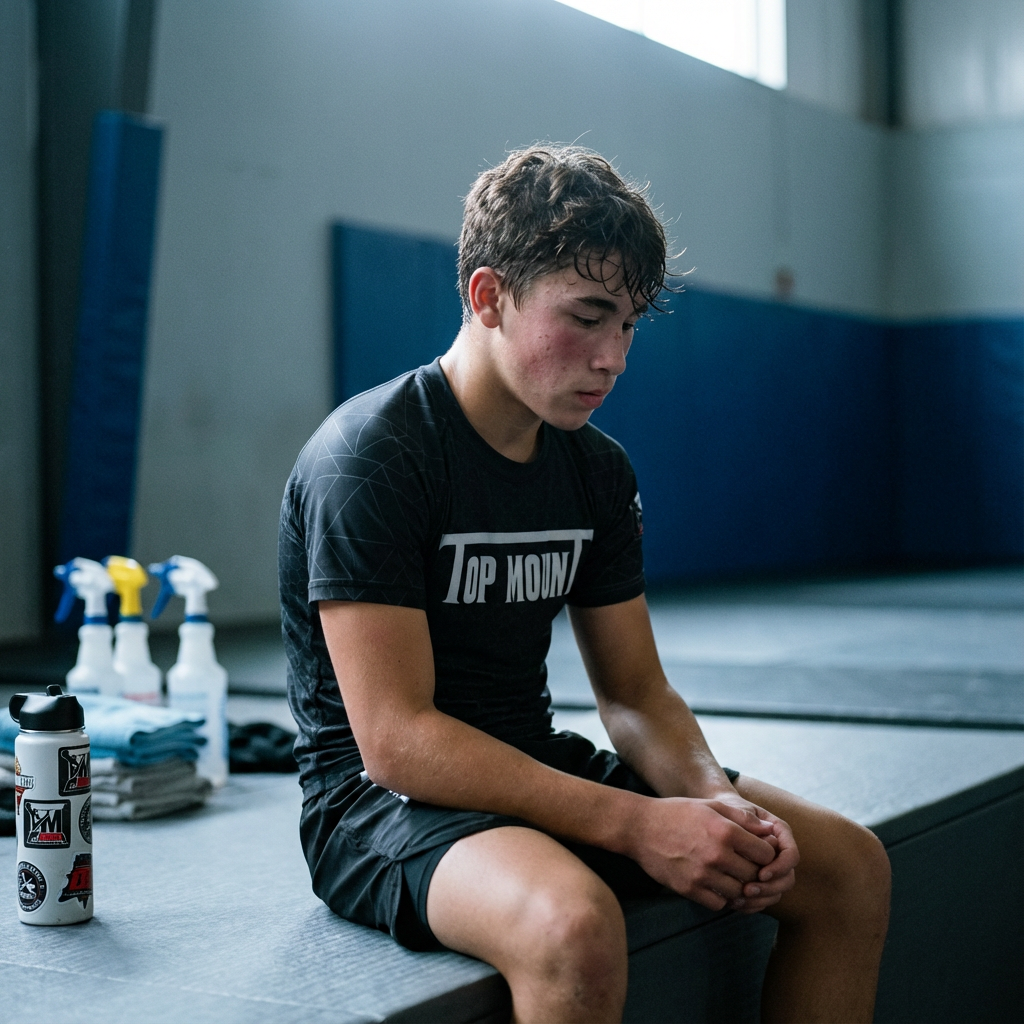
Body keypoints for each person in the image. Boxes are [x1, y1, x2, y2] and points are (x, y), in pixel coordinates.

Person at [279, 145, 891, 1023]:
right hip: (379, 808)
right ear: (489, 297)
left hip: (527, 762)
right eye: (588, 316)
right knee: (572, 927)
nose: (614, 359)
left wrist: (712, 803)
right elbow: (397, 741)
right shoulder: (374, 455)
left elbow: (637, 694)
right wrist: (640, 825)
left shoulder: (597, 470)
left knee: (847, 866)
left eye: (630, 324)